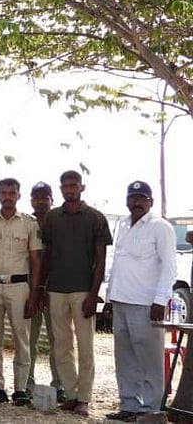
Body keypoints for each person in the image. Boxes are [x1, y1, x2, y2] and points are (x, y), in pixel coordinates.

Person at [40, 170, 112, 417]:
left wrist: (94, 294)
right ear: (60, 189)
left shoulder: (96, 218)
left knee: (85, 345)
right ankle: (71, 393)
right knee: (61, 344)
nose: (69, 190)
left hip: (83, 290)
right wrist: (41, 287)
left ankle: (84, 398)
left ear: (82, 187)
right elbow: (47, 255)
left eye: (74, 185)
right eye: (65, 186)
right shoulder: (52, 217)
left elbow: (101, 260)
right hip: (56, 289)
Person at [105, 181, 176, 422]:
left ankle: (150, 408)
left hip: (146, 303)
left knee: (149, 359)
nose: (136, 202)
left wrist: (160, 300)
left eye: (141, 198)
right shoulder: (124, 225)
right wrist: (110, 298)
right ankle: (129, 405)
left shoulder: (160, 227)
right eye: (132, 198)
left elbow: (169, 267)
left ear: (150, 202)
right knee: (125, 358)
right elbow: (118, 264)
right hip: (121, 301)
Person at [0, 177, 42, 406]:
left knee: (21, 339)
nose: (7, 197)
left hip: (19, 286)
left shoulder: (29, 223)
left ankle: (20, 389)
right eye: (3, 193)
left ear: (18, 195)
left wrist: (34, 294)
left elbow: (35, 260)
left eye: (12, 193)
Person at [25, 182, 62, 402]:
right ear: (31, 200)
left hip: (55, 290)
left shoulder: (59, 222)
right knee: (28, 339)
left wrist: (46, 288)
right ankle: (27, 383)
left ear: (51, 200)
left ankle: (60, 383)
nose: (40, 202)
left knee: (58, 340)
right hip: (29, 290)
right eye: (36, 197)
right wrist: (34, 291)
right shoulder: (25, 223)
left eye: (44, 197)